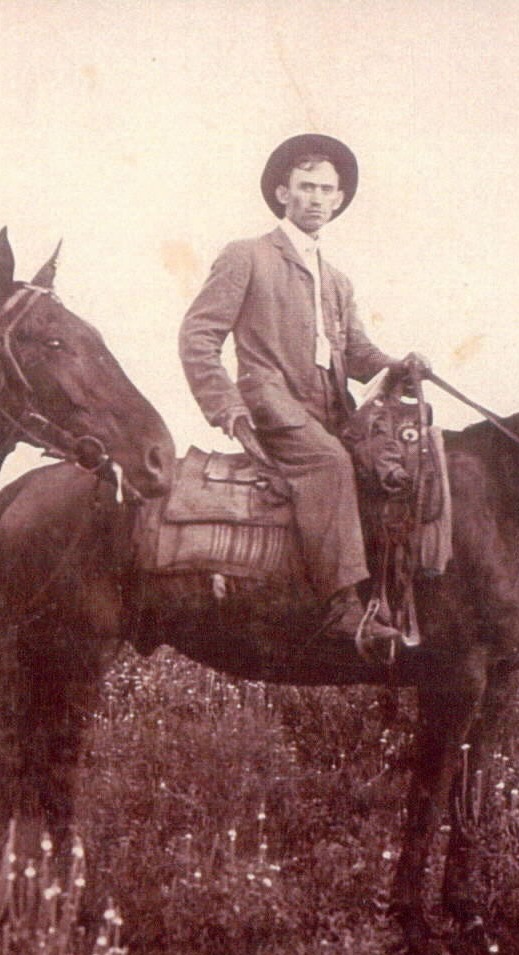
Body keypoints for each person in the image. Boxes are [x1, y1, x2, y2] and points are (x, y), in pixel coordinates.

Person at [180, 133, 426, 644]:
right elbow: (198, 336)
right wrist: (227, 408)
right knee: (331, 463)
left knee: (396, 470)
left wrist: (401, 367)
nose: (315, 198)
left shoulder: (336, 280)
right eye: (305, 186)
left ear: (338, 201)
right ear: (282, 194)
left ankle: (393, 595)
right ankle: (342, 608)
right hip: (274, 404)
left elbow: (359, 355)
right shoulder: (247, 255)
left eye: (326, 190)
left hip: (332, 408)